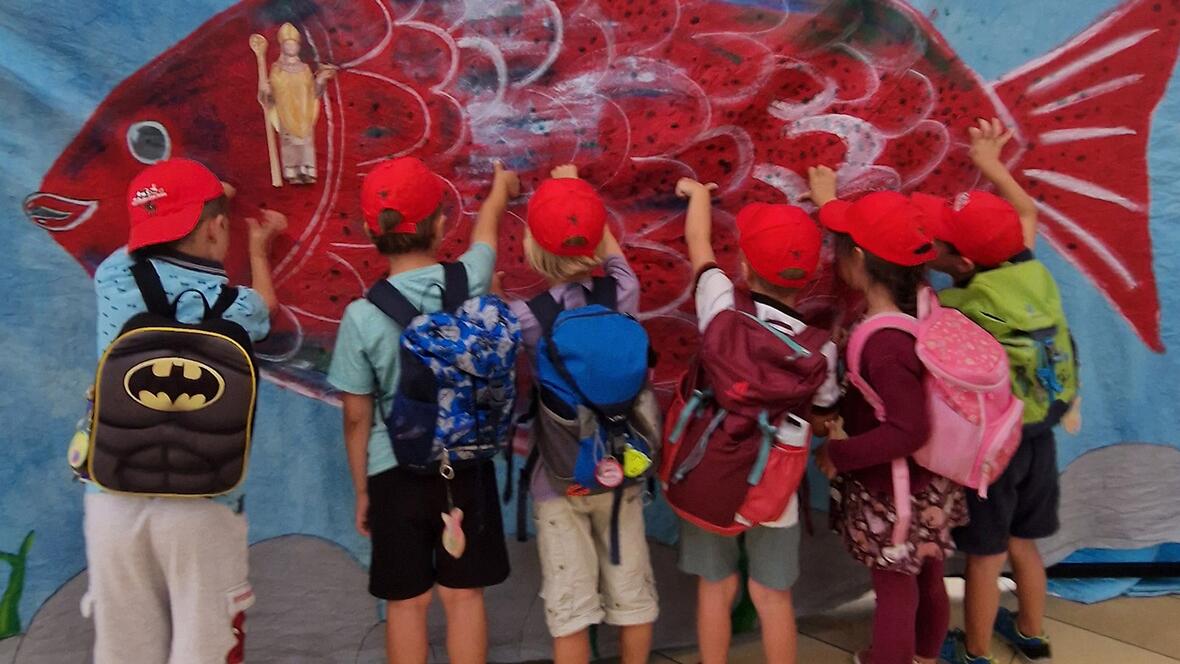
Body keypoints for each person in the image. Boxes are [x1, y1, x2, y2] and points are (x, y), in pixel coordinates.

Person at [88, 157, 286, 663]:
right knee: (206, 644)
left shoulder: (112, 278)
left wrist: (198, 196)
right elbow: (266, 307)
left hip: (112, 490)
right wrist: (259, 248)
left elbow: (136, 245)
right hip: (205, 499)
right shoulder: (232, 303)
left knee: (123, 650)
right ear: (219, 229)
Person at [328, 156, 518, 664]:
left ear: (371, 230)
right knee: (464, 597)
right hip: (469, 465)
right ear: (438, 222)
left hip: (396, 471)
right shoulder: (471, 279)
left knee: (407, 604)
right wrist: (499, 191)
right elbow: (486, 236)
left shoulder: (362, 316)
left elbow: (355, 416)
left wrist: (364, 488)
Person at [921, 119, 1079, 664]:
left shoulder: (966, 305)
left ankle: (976, 651)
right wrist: (991, 166)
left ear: (963, 265)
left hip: (996, 450)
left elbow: (927, 327)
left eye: (939, 244)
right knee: (1024, 543)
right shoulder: (1033, 272)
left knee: (985, 557)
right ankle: (1032, 632)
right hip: (1042, 437)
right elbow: (1028, 215)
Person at [672, 177, 840, 664]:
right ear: (808, 277)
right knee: (773, 597)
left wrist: (701, 197)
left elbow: (699, 244)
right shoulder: (820, 348)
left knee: (715, 587)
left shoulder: (721, 303)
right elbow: (825, 410)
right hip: (776, 486)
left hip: (712, 468)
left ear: (745, 265)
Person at [809, 172, 967, 664]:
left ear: (856, 260)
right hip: (932, 482)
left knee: (895, 585)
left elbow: (908, 428)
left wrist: (840, 452)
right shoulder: (925, 304)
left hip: (893, 489)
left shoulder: (883, 344)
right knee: (928, 573)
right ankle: (924, 654)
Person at [505, 164, 658, 664]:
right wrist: (578, 192)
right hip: (625, 471)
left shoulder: (527, 316)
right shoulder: (624, 293)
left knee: (571, 610)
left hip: (559, 477)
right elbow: (615, 257)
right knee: (632, 599)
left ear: (531, 247)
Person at [259, 22, 337, 184]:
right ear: (282, 47)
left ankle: (307, 170)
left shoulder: (304, 68)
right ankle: (292, 171)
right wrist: (267, 90)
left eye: (293, 44)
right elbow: (270, 95)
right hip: (285, 112)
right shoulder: (277, 69)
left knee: (306, 143)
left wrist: (321, 78)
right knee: (289, 144)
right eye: (287, 44)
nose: (291, 48)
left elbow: (313, 91)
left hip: (303, 111)